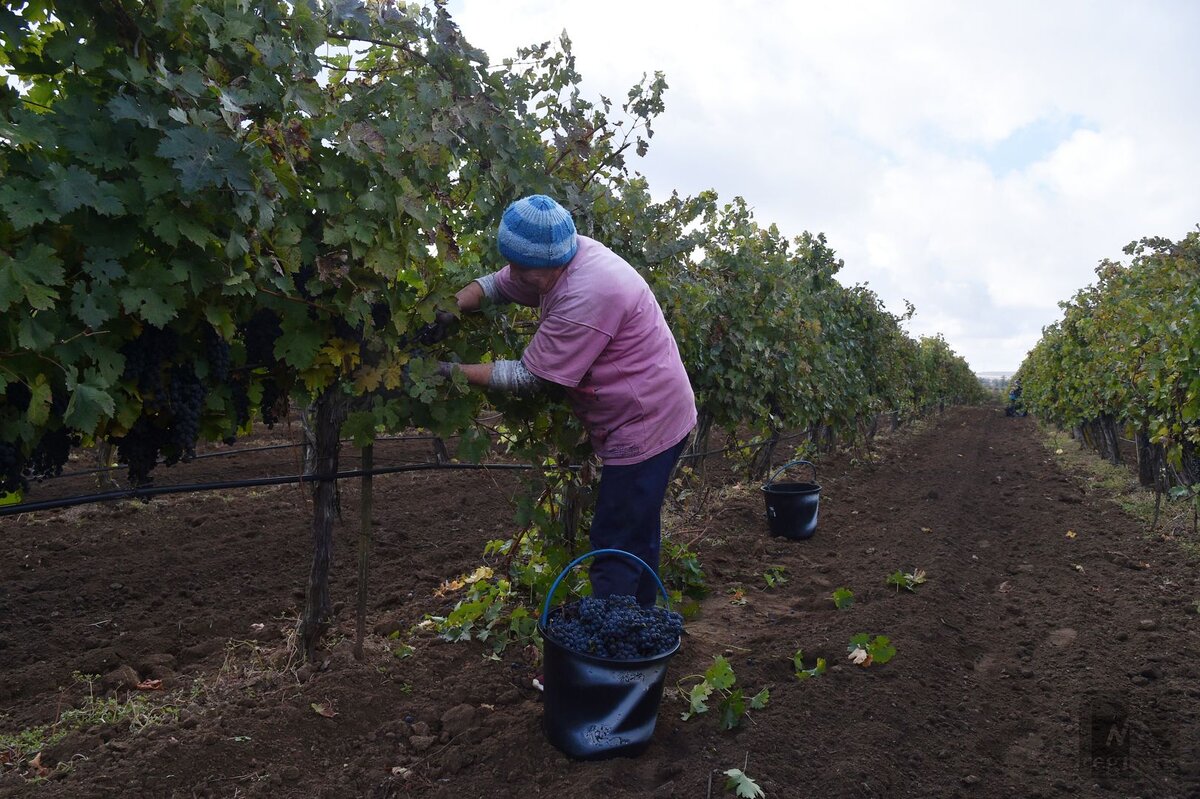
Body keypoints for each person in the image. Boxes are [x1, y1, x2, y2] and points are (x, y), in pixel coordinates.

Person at [431, 194, 696, 606]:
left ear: (550, 261)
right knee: (637, 532)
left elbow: (528, 377)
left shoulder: (587, 295)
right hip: (649, 407)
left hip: (647, 420)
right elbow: (500, 283)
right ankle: (644, 623)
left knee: (616, 540)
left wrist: (452, 372)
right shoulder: (562, 253)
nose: (515, 272)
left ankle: (613, 649)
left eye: (523, 267)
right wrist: (452, 306)